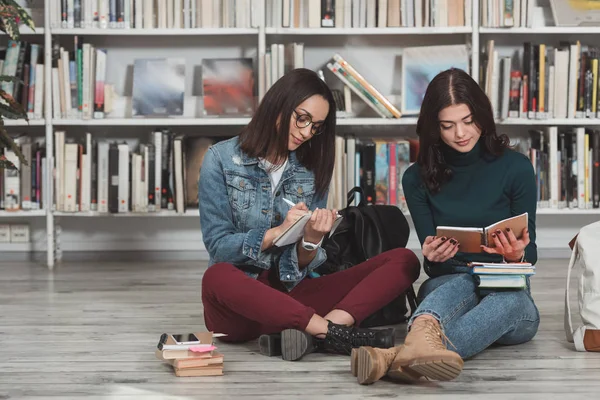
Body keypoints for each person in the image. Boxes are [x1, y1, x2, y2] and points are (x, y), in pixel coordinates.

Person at [198, 68, 421, 362]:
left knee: (404, 260)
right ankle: (331, 333)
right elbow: (219, 247)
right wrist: (276, 233)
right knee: (216, 277)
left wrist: (312, 240)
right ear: (278, 105)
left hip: (292, 295)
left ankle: (319, 334)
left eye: (315, 126)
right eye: (302, 118)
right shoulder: (220, 159)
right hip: (240, 309)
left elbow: (300, 266)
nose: (306, 132)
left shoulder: (311, 168)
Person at [352, 68, 540, 384]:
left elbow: (529, 256)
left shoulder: (517, 168)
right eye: (447, 125)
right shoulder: (416, 178)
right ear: (433, 128)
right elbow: (435, 271)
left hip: (507, 292)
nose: (460, 133)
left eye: (468, 121)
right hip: (448, 288)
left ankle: (396, 355)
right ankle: (419, 348)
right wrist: (433, 257)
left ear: (482, 115)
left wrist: (515, 256)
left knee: (513, 299)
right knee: (464, 279)